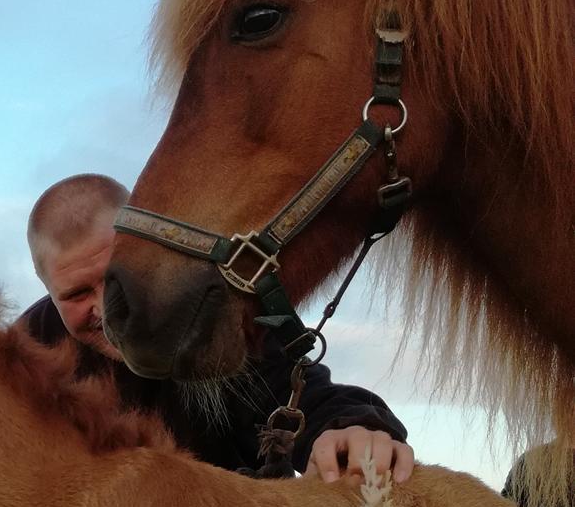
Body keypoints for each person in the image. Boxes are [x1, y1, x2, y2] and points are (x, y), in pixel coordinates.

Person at [22, 174, 415, 483]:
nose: (107, 309)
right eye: (75, 293)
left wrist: (349, 431)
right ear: (48, 291)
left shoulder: (212, 319)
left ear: (146, 251)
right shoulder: (22, 355)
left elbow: (294, 394)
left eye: (116, 276)